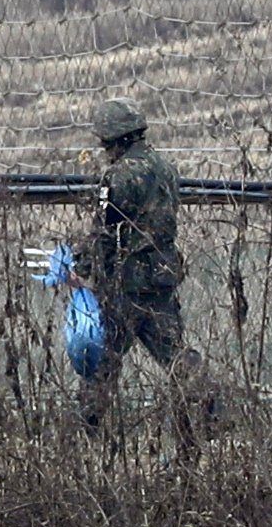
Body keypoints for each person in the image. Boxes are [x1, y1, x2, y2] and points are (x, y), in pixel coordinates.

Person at [77, 96, 216, 437]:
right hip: (161, 281)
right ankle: (211, 415)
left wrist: (81, 262)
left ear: (112, 139)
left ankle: (87, 434)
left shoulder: (117, 176)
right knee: (177, 357)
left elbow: (106, 231)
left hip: (124, 286)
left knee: (102, 363)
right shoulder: (166, 169)